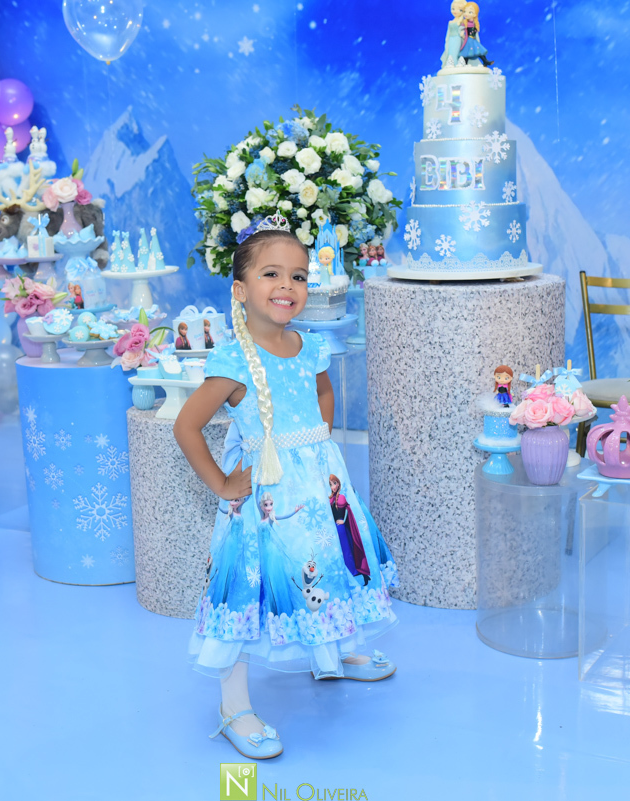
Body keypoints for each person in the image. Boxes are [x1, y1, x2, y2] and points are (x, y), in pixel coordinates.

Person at [174, 222, 399, 760]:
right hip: (266, 499)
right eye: (271, 274)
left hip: (318, 487)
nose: (287, 285)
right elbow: (187, 426)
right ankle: (234, 705)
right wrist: (223, 482)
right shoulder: (233, 362)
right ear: (240, 289)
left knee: (326, 567)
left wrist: (315, 447)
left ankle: (334, 651)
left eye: (298, 276)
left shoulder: (309, 346)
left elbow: (322, 393)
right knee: (251, 584)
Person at [458, 2, 492, 67]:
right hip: (468, 41)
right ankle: (464, 64)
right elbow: (460, 29)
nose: (466, 14)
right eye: (465, 11)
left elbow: (476, 34)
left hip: (474, 41)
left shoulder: (474, 24)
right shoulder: (465, 23)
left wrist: (478, 41)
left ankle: (485, 61)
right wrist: (462, 34)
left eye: (470, 12)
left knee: (479, 51)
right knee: (466, 52)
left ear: (475, 14)